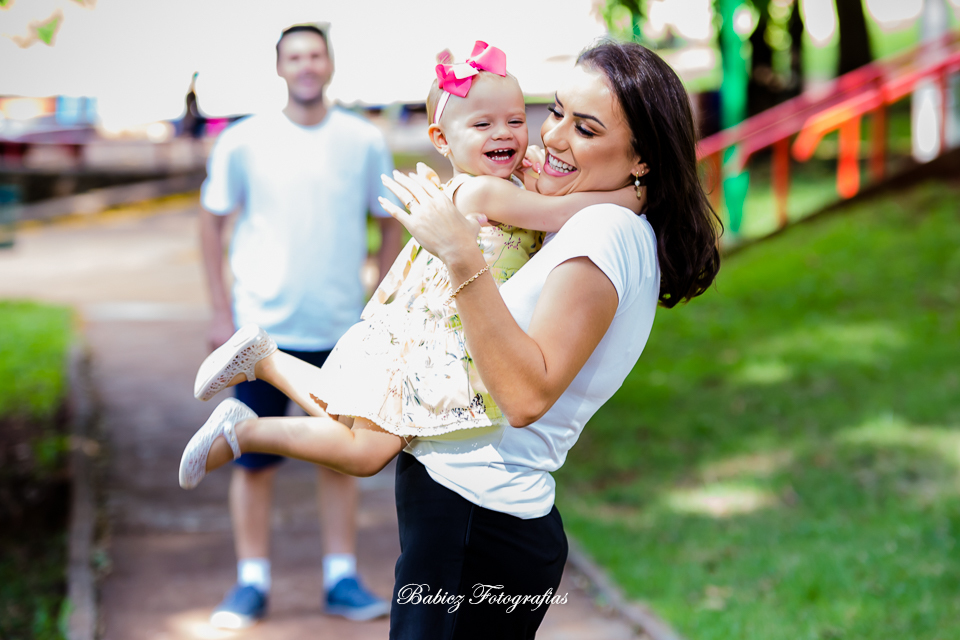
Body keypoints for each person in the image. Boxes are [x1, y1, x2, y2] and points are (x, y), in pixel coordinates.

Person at [193, 39, 721, 638]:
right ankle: (259, 379)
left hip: (477, 515)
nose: (550, 137)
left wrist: (460, 250)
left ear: (643, 157)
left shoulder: (604, 230)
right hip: (464, 505)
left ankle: (256, 389)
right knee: (361, 428)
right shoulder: (578, 210)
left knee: (364, 438)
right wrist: (632, 193)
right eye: (556, 112)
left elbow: (525, 398)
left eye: (585, 127)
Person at [181, 41, 640, 484]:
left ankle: (265, 360)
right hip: (432, 337)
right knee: (366, 453)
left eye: (515, 120)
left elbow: (549, 198)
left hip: (430, 330)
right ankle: (245, 431)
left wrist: (537, 170)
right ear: (442, 139)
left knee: (347, 416)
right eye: (483, 124)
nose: (503, 133)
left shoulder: (507, 184)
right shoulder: (481, 191)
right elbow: (561, 212)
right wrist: (634, 195)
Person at [196, 23, 402, 628]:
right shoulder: (243, 140)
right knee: (249, 456)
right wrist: (219, 311)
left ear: (329, 64)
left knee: (341, 457)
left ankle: (341, 578)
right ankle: (250, 582)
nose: (306, 65)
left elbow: (388, 222)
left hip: (343, 330)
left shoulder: (364, 139)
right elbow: (210, 222)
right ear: (280, 67)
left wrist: (382, 305)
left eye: (315, 55)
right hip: (258, 335)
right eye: (295, 56)